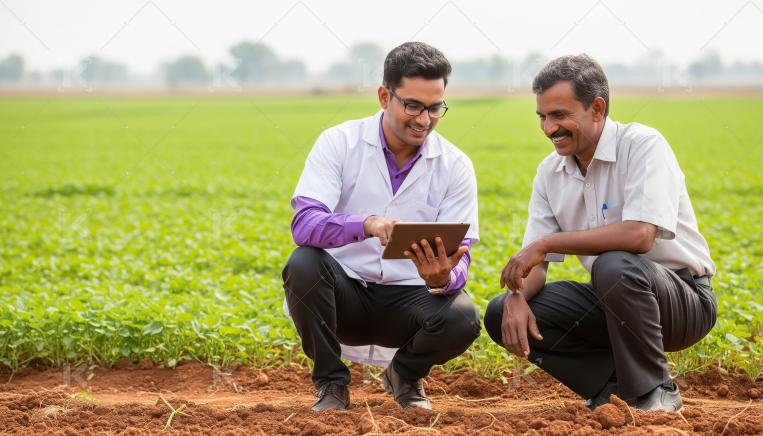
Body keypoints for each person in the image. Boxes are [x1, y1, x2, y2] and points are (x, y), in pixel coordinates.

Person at [483, 54, 717, 412]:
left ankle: (654, 390)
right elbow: (538, 266)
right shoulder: (551, 173)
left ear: (596, 108)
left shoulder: (641, 145)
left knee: (613, 264)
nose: (549, 129)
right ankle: (612, 388)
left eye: (560, 115)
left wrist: (547, 243)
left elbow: (640, 236)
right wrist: (517, 296)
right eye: (542, 117)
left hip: (682, 300)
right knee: (500, 312)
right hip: (613, 299)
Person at [282, 42, 481, 411]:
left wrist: (442, 279)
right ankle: (331, 383)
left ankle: (404, 375)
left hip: (408, 301)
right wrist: (366, 224)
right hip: (346, 298)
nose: (424, 119)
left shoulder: (455, 166)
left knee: (463, 317)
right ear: (383, 97)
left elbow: (462, 258)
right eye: (412, 105)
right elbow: (304, 224)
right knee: (304, 264)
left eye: (435, 107)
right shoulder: (339, 143)